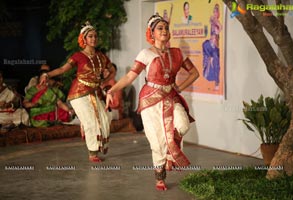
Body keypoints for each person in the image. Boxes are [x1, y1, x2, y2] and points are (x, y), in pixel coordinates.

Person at [105, 14, 199, 191]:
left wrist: (179, 87)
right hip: (150, 100)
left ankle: (171, 154)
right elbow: (129, 77)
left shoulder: (178, 53)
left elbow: (194, 73)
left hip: (171, 96)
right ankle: (160, 176)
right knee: (157, 141)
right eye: (160, 28)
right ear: (152, 33)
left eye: (165, 28)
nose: (164, 31)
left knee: (183, 125)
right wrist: (111, 90)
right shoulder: (146, 54)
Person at [39, 21, 114, 163]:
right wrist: (47, 75)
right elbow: (62, 70)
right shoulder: (78, 56)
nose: (93, 39)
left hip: (94, 92)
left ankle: (85, 126)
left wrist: (106, 79)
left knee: (105, 118)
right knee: (91, 122)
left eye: (95, 36)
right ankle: (93, 153)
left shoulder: (101, 56)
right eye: (90, 36)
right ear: (84, 39)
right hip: (79, 92)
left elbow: (112, 70)